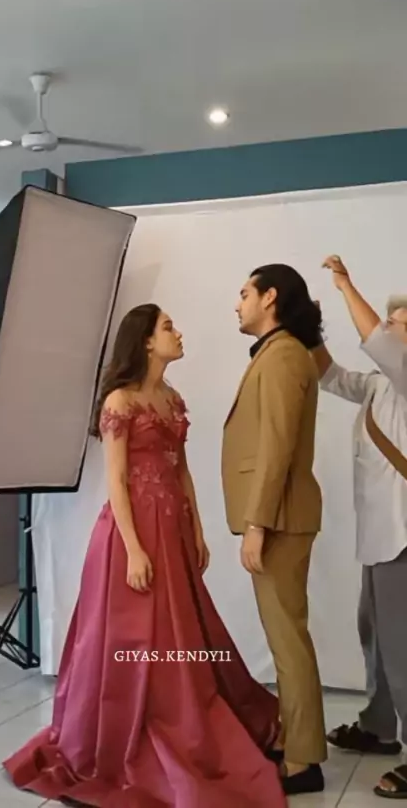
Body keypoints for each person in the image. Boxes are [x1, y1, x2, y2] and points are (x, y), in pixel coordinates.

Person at [3, 303, 287, 808]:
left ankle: (187, 715)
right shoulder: (121, 400)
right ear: (146, 341)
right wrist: (134, 549)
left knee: (182, 628)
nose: (179, 333)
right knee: (133, 634)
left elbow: (181, 470)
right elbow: (115, 479)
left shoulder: (172, 399)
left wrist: (196, 529)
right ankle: (127, 733)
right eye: (168, 327)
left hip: (172, 527)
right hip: (130, 533)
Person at [221, 264, 327, 797]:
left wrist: (256, 523)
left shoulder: (284, 355)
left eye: (244, 293)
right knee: (286, 638)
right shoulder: (279, 352)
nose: (236, 303)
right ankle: (292, 740)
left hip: (279, 518)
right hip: (279, 515)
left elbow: (277, 446)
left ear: (270, 297)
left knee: (288, 641)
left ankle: (304, 762)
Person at [312, 255, 407, 800]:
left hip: (403, 534)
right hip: (381, 534)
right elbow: (330, 376)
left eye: (396, 322)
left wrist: (346, 286)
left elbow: (377, 341)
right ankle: (379, 727)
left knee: (403, 647)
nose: (386, 328)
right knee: (375, 633)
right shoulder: (380, 386)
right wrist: (311, 330)